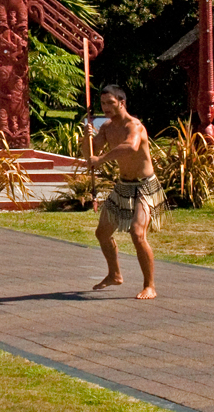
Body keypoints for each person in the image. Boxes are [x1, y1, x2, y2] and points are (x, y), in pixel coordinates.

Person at [81, 85, 166, 300]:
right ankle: (115, 274)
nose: (106, 107)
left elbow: (131, 146)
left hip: (145, 186)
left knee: (137, 233)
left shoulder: (134, 125)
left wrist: (100, 160)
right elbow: (90, 154)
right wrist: (87, 138)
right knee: (102, 233)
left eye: (111, 103)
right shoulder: (107, 127)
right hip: (124, 186)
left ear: (122, 102)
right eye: (103, 104)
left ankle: (150, 286)